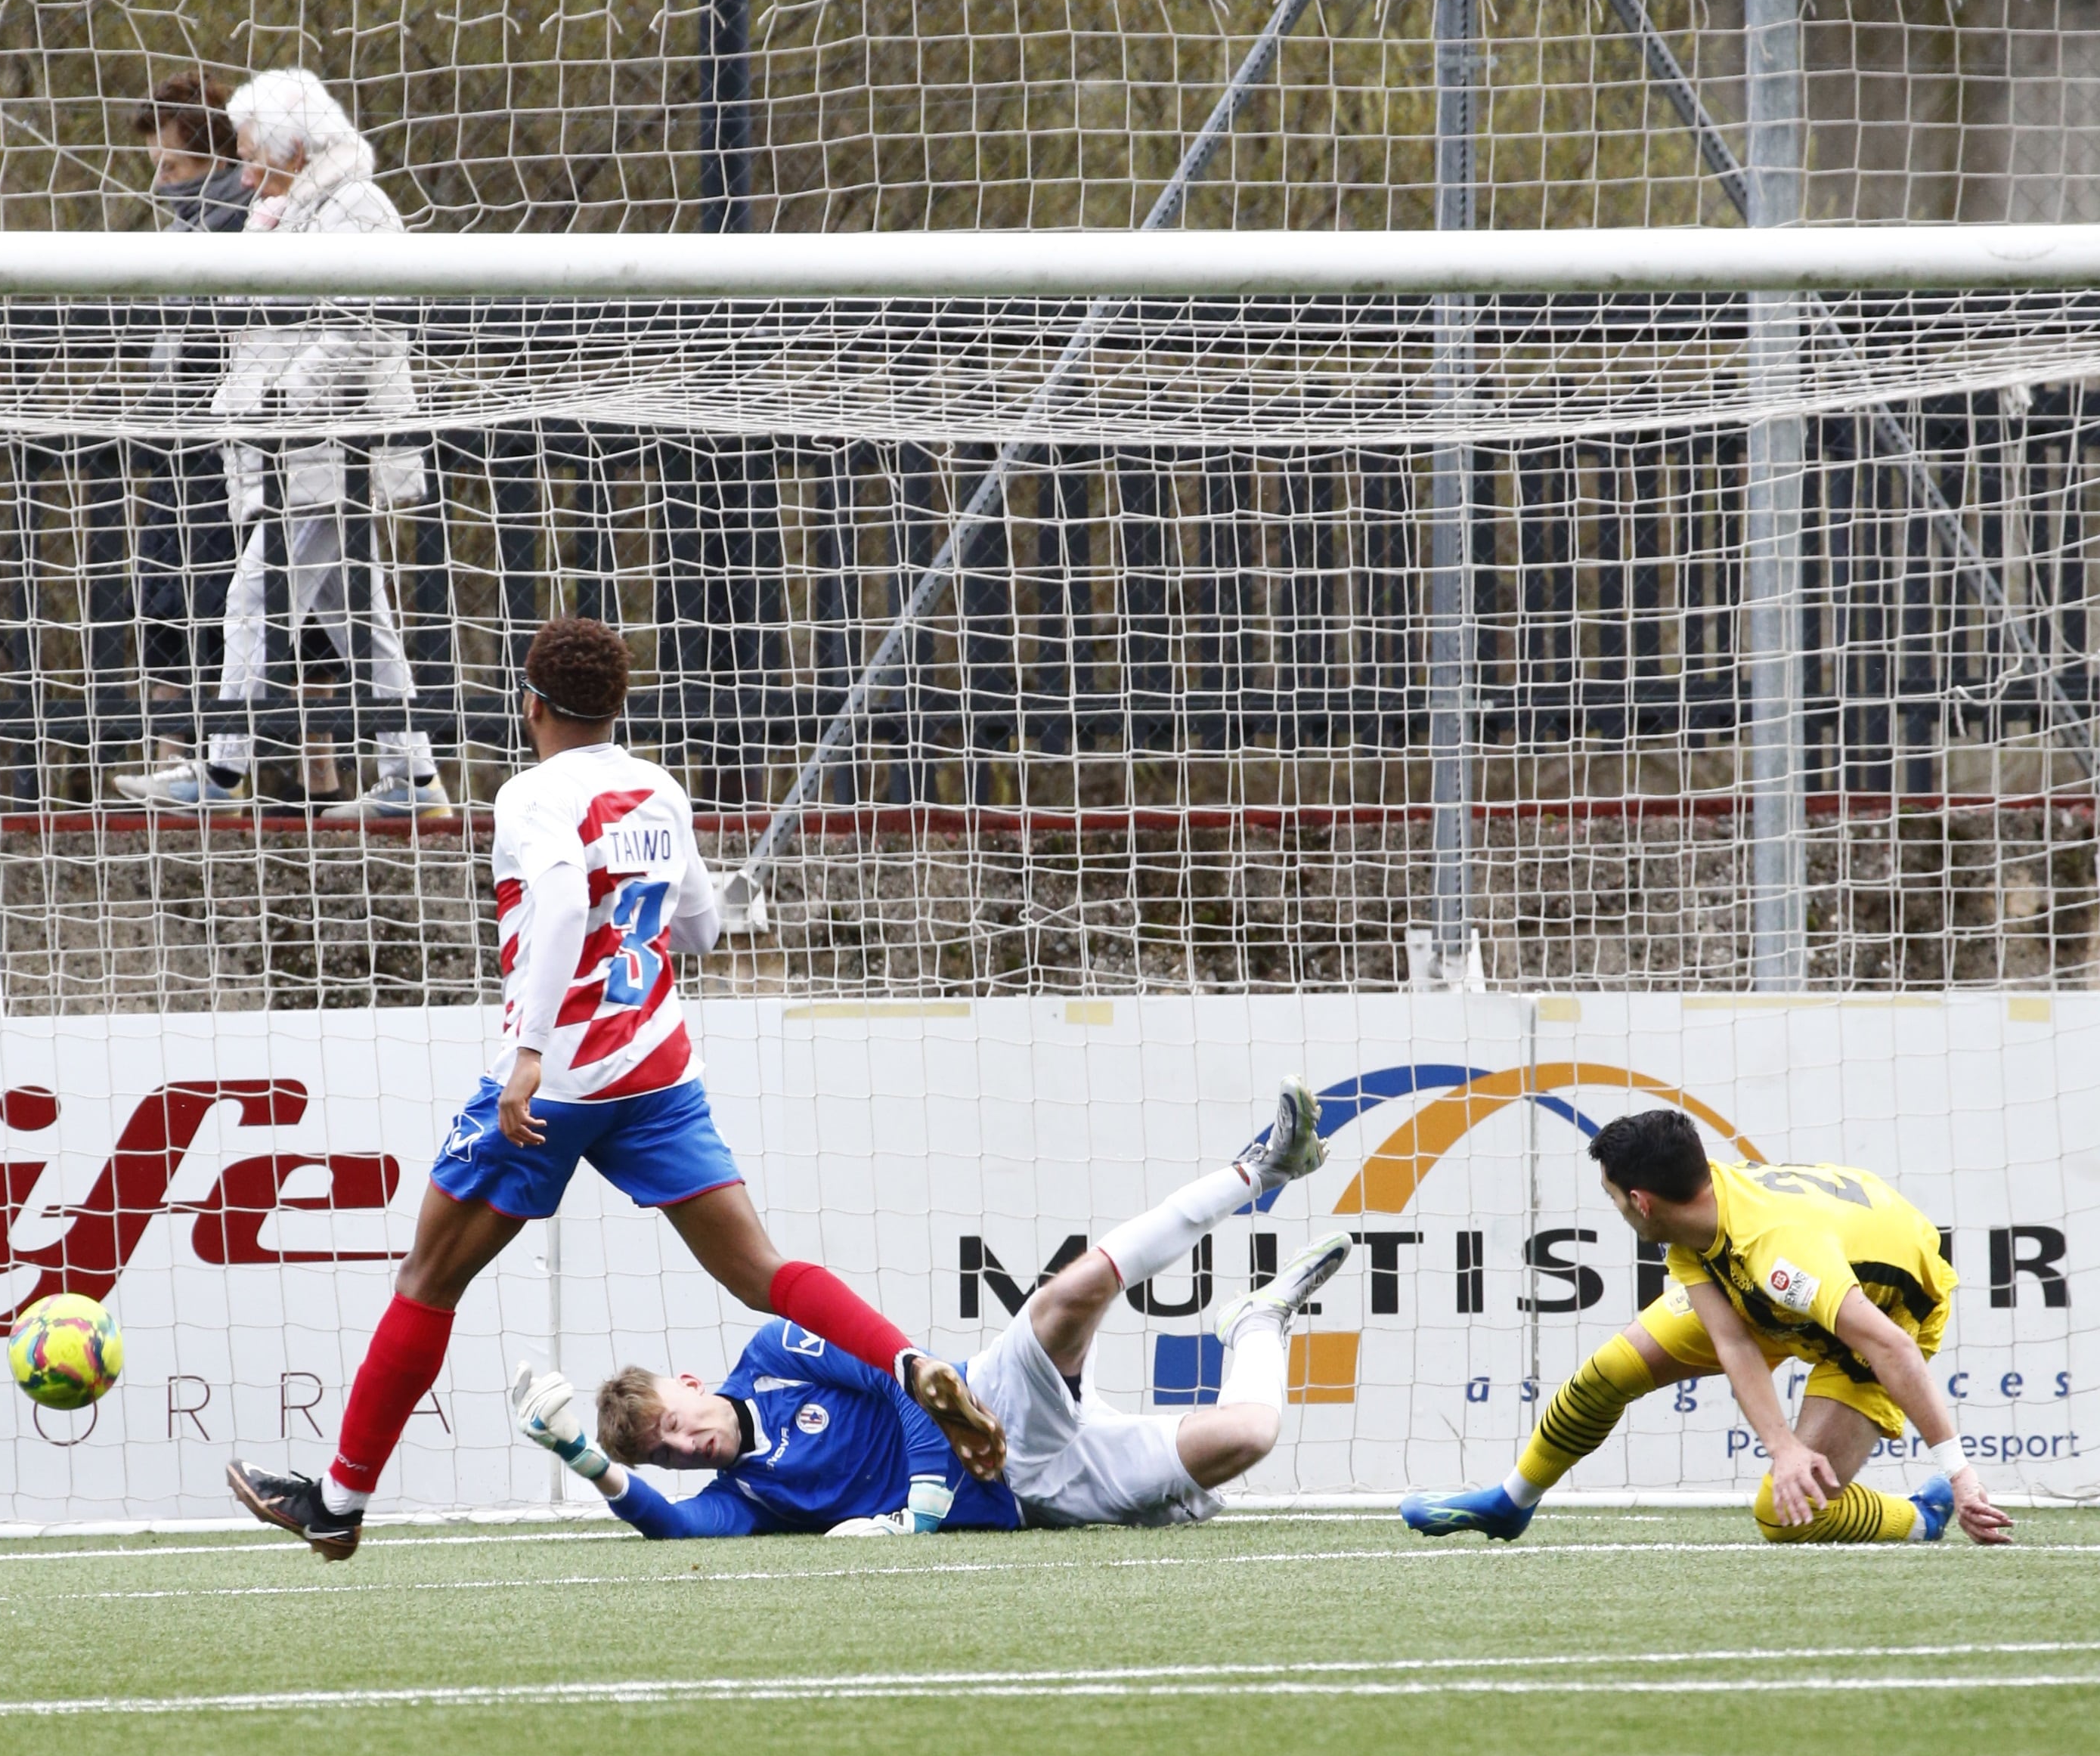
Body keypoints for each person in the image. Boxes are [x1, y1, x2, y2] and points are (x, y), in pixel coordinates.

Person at [228, 615, 1008, 1558]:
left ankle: (340, 1501)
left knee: (428, 1281)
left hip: (559, 1081)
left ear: (531, 704)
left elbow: (561, 898)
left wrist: (529, 1050)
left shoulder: (531, 794)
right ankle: (908, 1359)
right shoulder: (659, 789)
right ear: (617, 706)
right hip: (658, 1073)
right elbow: (701, 929)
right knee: (760, 1271)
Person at [510, 1080, 1351, 1536]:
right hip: (1035, 1495)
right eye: (671, 1455)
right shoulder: (752, 1498)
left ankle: (1260, 1168)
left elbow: (904, 1376)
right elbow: (671, 1527)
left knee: (1070, 1293)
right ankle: (1255, 1323)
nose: (687, 1445)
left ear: (690, 1382)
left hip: (992, 1401)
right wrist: (580, 1454)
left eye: (673, 1423)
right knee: (1249, 1434)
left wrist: (921, 1502)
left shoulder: (773, 1355)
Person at [1402, 1108, 2012, 1547]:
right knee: (1609, 1372)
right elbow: (1731, 1340)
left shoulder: (1778, 1252)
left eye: (1613, 1197)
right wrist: (1783, 1445)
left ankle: (1922, 1514)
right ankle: (1510, 1502)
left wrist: (1961, 1475)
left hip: (1885, 1307)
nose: (1615, 1207)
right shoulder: (1692, 1216)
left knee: (1783, 1515)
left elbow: (1890, 1344)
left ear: (1640, 1201)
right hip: (1775, 1290)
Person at [111, 66, 445, 817]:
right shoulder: (286, 209)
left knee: (252, 598)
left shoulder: (356, 206)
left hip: (326, 450)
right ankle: (412, 780)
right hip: (287, 449)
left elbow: (367, 324)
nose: (245, 171)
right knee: (360, 621)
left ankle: (219, 775)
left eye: (254, 153)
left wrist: (283, 399)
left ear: (295, 147)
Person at [124, 70, 250, 767]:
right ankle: (171, 763)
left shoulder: (254, 225)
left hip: (241, 446)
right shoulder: (181, 231)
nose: (162, 182)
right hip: (178, 447)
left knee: (276, 609)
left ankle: (311, 774)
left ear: (217, 159)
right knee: (164, 599)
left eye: (173, 167)